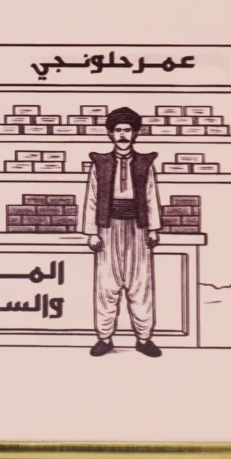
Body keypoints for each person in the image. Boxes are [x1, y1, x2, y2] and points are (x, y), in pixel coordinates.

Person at [83, 106, 163, 356]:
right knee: (107, 284)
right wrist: (91, 232)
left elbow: (150, 197)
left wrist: (153, 228)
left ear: (135, 133)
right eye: (118, 130)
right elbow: (92, 198)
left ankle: (144, 339)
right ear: (110, 134)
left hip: (138, 229)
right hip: (108, 228)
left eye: (127, 130)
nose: (122, 135)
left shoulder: (145, 164)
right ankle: (105, 338)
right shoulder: (100, 164)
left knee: (140, 284)